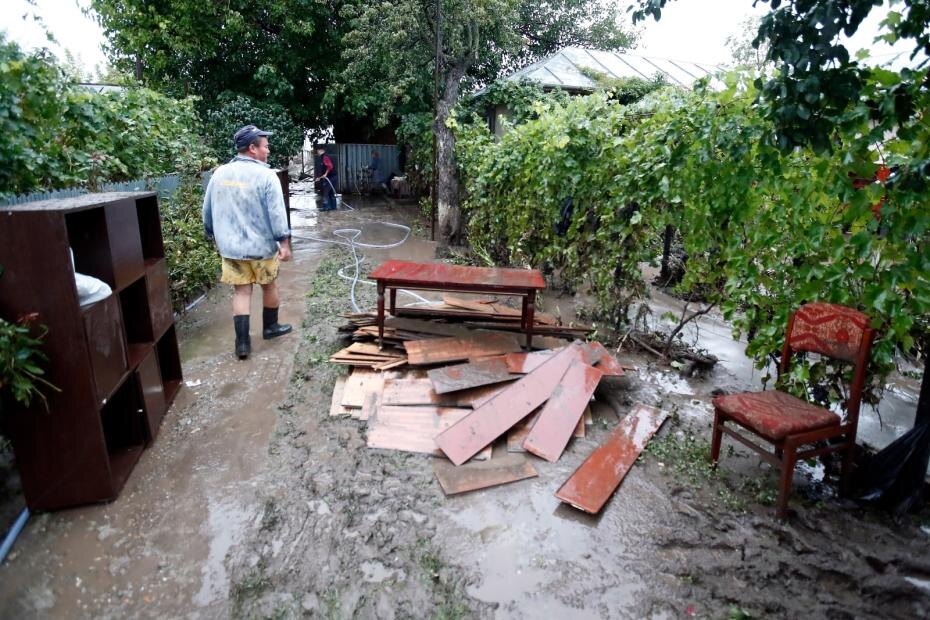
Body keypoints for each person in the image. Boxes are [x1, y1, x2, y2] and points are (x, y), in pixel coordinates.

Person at [203, 124, 293, 360]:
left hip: (231, 249)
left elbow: (207, 211)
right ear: (252, 148)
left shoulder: (219, 173)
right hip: (261, 249)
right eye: (265, 146)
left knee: (241, 292)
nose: (268, 150)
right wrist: (283, 241)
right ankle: (270, 328)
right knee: (269, 285)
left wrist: (213, 234)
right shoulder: (266, 175)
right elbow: (277, 213)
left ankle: (242, 344)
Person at [315, 145, 337, 211]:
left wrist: (326, 174)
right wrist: (319, 177)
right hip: (331, 176)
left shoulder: (325, 157)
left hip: (331, 177)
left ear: (321, 150)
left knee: (326, 192)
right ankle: (333, 207)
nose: (317, 153)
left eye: (317, 151)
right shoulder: (323, 157)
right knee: (330, 192)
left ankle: (326, 207)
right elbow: (323, 169)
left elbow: (330, 166)